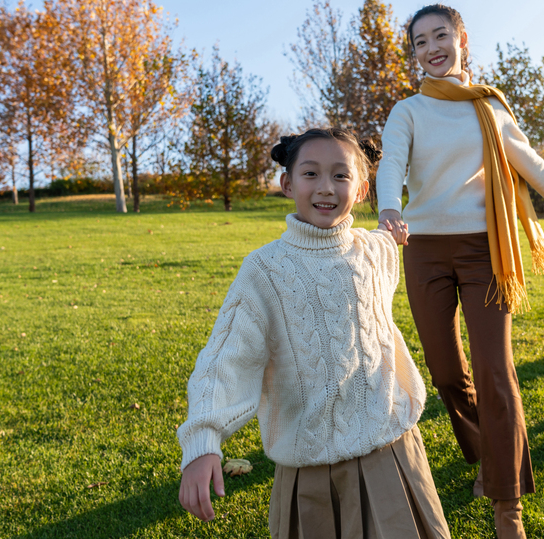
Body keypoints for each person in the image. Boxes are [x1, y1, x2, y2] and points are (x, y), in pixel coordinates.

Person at [177, 128, 451, 539]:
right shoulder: (264, 270)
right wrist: (203, 442)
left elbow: (387, 242)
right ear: (287, 183)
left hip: (391, 451)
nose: (326, 188)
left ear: (361, 190)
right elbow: (226, 358)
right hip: (310, 469)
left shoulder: (375, 252)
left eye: (341, 176)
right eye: (310, 174)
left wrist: (393, 235)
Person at [377, 4, 544, 539]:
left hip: (483, 250)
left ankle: (505, 500)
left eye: (440, 35)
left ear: (461, 39)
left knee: (495, 370)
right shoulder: (409, 111)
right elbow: (392, 163)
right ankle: (481, 449)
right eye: (420, 42)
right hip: (423, 249)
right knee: (447, 372)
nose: (431, 48)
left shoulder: (489, 106)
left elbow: (527, 160)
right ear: (415, 52)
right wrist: (389, 208)